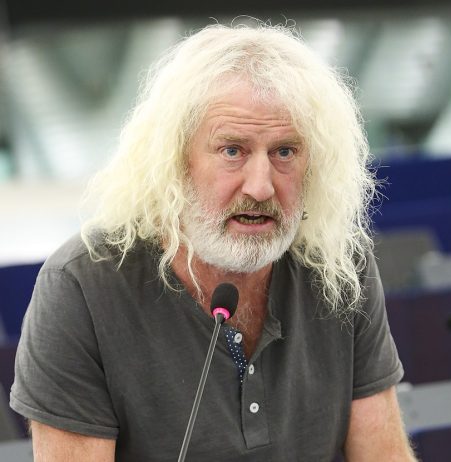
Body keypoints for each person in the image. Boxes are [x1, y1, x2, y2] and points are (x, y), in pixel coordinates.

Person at [10, 22, 416, 461]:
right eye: (232, 151)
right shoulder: (82, 287)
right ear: (174, 161)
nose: (260, 187)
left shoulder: (338, 263)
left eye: (284, 151)